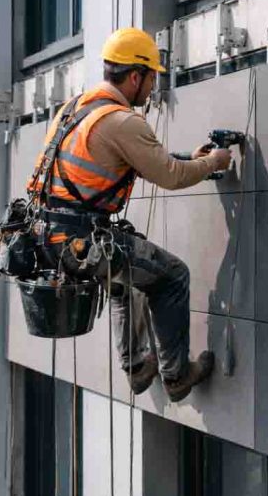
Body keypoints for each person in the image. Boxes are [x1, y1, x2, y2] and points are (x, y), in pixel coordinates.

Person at [27, 27, 232, 402]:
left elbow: (139, 161)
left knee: (124, 276)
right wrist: (214, 162)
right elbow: (169, 175)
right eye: (152, 79)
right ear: (136, 76)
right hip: (81, 240)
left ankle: (137, 368)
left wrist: (193, 158)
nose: (153, 89)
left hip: (51, 237)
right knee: (172, 276)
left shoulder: (73, 109)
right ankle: (177, 376)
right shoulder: (122, 121)